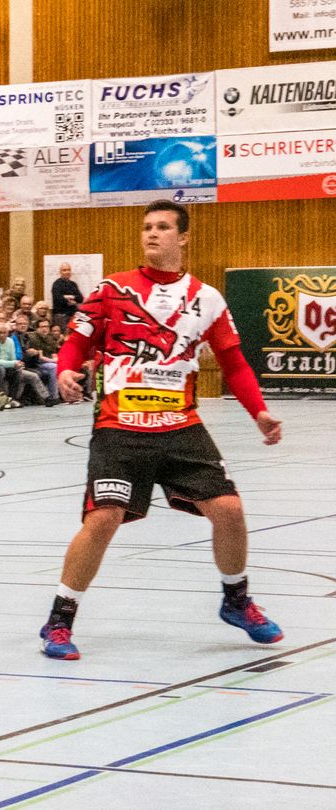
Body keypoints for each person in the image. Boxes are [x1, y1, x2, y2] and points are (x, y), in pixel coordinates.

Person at [39, 201, 285, 661]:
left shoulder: (207, 298)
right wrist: (66, 372)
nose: (152, 234)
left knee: (229, 509)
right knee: (104, 518)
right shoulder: (113, 290)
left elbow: (234, 364)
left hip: (181, 424)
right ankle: (59, 619)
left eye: (163, 227)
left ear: (183, 237)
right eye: (147, 227)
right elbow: (76, 342)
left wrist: (260, 414)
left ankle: (236, 600)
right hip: (120, 426)